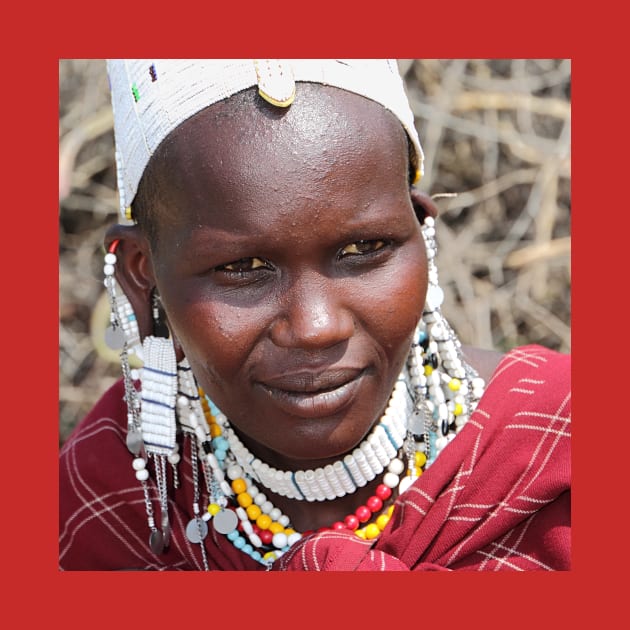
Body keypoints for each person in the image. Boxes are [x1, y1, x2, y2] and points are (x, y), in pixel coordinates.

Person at [58, 59, 571, 571]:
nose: (316, 327)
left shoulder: (560, 446)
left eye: (365, 247)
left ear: (420, 229)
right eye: (243, 267)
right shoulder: (102, 501)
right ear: (141, 272)